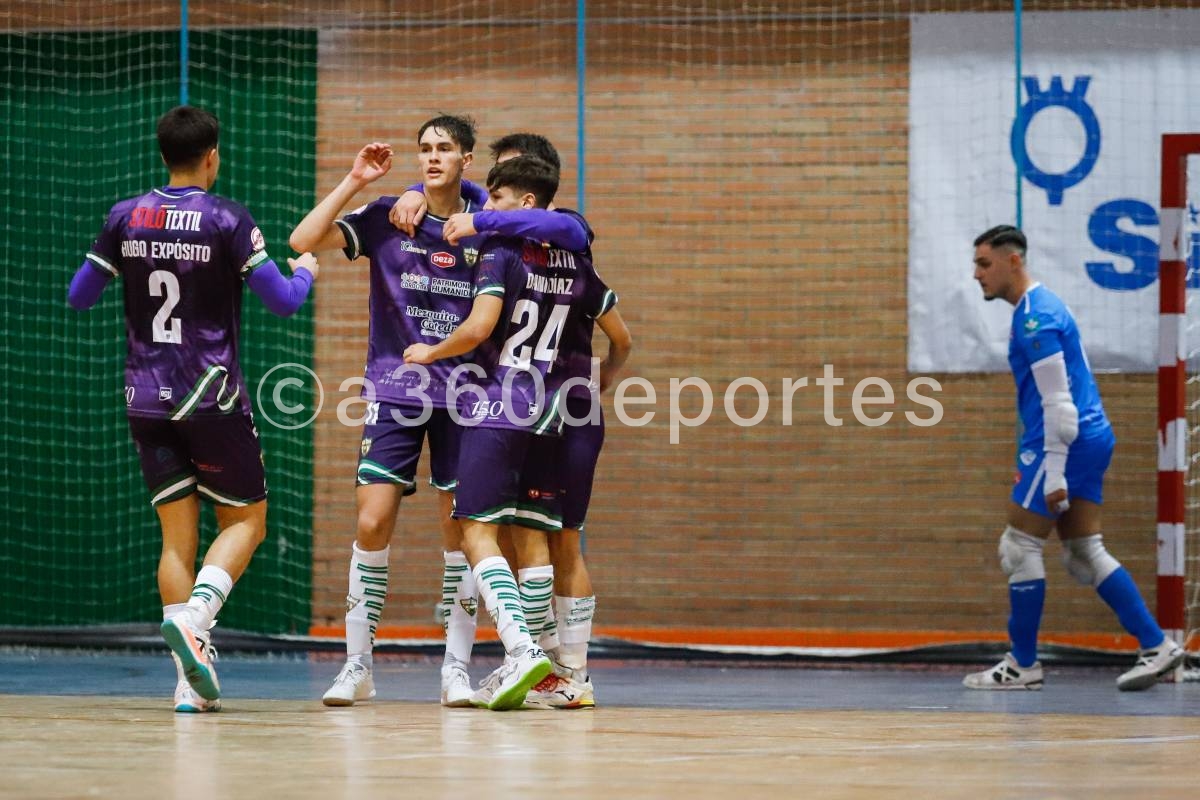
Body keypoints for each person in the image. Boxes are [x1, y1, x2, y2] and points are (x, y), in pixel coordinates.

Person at [289, 117, 586, 708]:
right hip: (396, 390)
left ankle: (454, 669)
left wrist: (477, 211)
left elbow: (569, 228)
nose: (431, 158)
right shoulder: (387, 216)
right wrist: (354, 178)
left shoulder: (490, 227)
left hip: (469, 395)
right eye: (423, 149)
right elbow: (303, 240)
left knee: (462, 534)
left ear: (466, 160)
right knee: (372, 521)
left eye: (443, 149)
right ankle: (356, 666)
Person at [67, 105, 319, 712]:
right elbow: (283, 302)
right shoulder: (229, 217)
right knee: (247, 522)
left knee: (176, 542)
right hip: (210, 396)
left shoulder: (125, 215)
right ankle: (200, 617)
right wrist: (306, 271)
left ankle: (188, 684)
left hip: (144, 399)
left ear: (162, 155)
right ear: (213, 156)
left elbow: (79, 296)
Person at [397, 132, 629, 709]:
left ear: (529, 194)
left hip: (509, 401)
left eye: (498, 191)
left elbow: (479, 328)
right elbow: (623, 339)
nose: (487, 204)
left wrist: (431, 351)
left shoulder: (519, 242)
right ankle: (562, 675)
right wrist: (601, 383)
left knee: (481, 526)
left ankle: (526, 653)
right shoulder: (577, 261)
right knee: (543, 537)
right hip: (569, 406)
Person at [963, 224, 1184, 691]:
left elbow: (1059, 404)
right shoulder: (1040, 307)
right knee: (1084, 552)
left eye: (984, 263)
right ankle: (1156, 645)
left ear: (1013, 261)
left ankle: (1022, 664)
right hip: (1090, 436)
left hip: (1062, 441)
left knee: (1018, 547)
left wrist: (1055, 471)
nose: (976, 273)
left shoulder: (1034, 320)